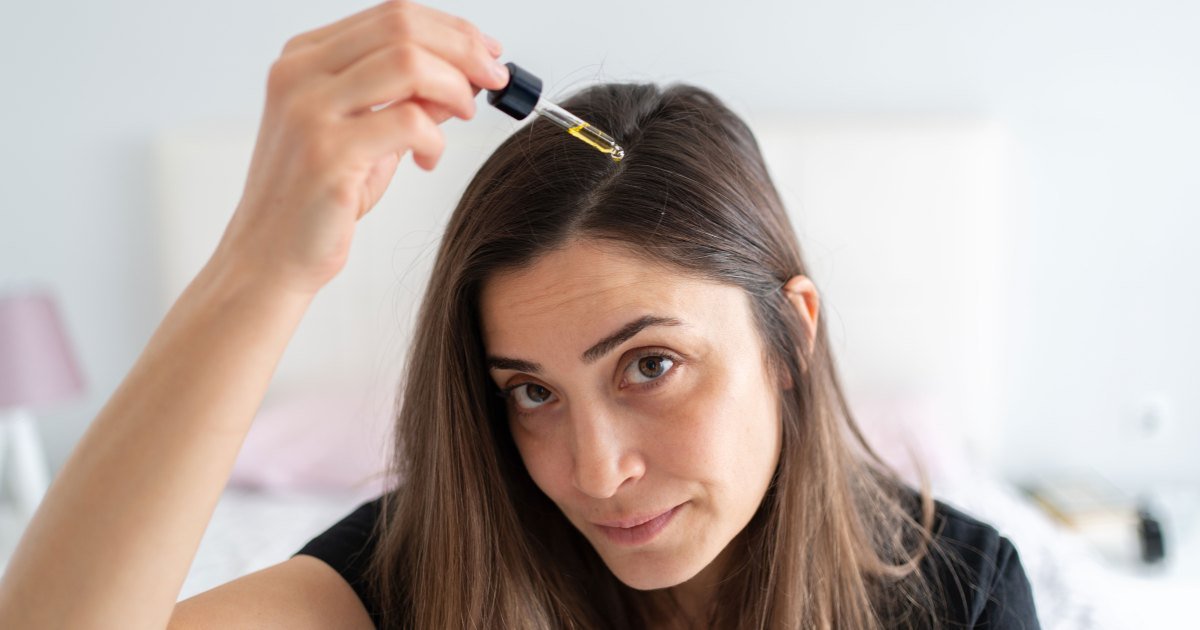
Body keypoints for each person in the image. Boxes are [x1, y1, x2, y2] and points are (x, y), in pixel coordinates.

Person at [0, 1, 1040, 628]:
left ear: (790, 338)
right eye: (531, 391)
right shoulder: (432, 564)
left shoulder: (958, 595)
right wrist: (259, 269)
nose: (593, 472)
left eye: (650, 366)